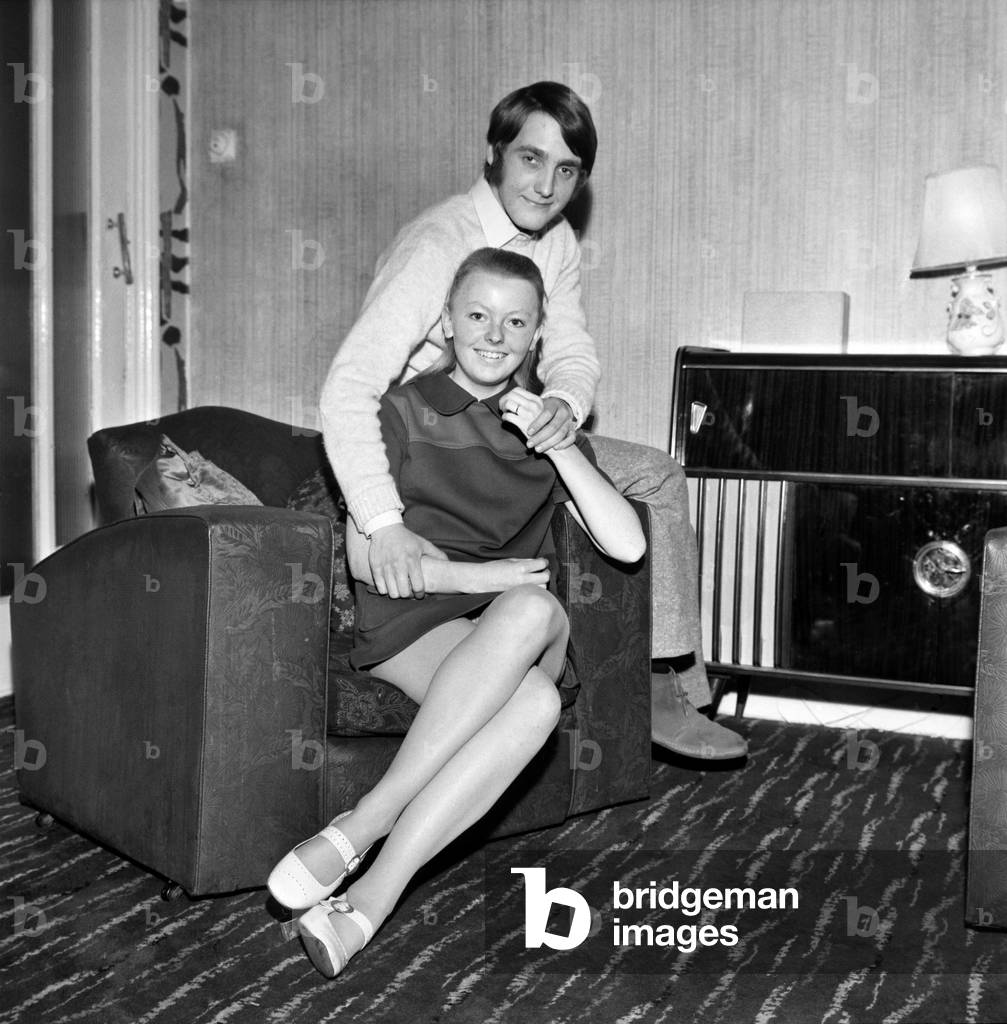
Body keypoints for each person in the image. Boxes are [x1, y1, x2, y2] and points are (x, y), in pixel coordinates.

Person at [319, 81, 745, 760]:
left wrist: (563, 408)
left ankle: (663, 681)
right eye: (530, 159)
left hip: (508, 420)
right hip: (429, 437)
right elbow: (349, 389)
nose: (547, 186)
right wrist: (381, 518)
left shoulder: (558, 240)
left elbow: (570, 349)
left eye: (567, 170)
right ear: (494, 154)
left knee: (656, 474)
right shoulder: (438, 244)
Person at [269, 249, 646, 978]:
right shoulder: (394, 412)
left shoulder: (545, 427)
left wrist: (561, 445)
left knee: (531, 609)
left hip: (516, 619)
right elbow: (366, 559)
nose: (495, 335)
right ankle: (371, 901)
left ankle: (362, 825)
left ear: (538, 337)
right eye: (477, 315)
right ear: (445, 321)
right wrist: (490, 572)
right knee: (534, 702)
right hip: (415, 621)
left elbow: (626, 544)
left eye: (516, 321)